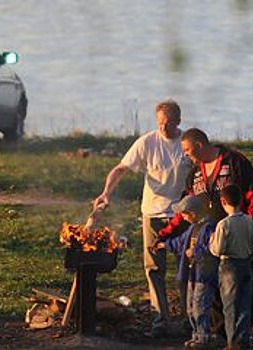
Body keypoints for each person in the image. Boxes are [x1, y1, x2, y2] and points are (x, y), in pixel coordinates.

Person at [153, 128, 253, 339]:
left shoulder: (235, 162)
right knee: (213, 291)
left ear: (199, 145)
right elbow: (185, 209)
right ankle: (220, 334)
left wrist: (250, 228)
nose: (185, 155)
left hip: (237, 239)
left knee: (242, 289)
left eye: (187, 150)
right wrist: (165, 234)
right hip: (210, 244)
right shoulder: (194, 175)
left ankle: (247, 334)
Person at [92, 99, 192, 336]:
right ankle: (161, 321)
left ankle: (190, 320)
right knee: (154, 269)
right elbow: (121, 169)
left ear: (178, 121)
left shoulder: (187, 142)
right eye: (159, 123)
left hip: (183, 216)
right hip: (153, 215)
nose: (162, 128)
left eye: (167, 124)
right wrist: (106, 193)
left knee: (185, 269)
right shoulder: (147, 142)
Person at [162, 195, 219, 349]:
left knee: (200, 306)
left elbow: (213, 249)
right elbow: (179, 243)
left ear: (192, 214)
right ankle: (196, 334)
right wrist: (164, 245)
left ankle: (203, 336)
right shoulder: (191, 229)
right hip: (192, 275)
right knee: (189, 306)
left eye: (184, 214)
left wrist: (196, 251)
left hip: (204, 275)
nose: (182, 217)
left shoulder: (209, 228)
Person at [210, 185, 253, 349]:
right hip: (246, 263)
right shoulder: (249, 220)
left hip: (229, 265)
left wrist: (211, 241)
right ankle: (243, 340)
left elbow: (218, 250)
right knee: (245, 305)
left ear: (223, 201)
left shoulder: (224, 224)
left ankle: (233, 342)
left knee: (230, 306)